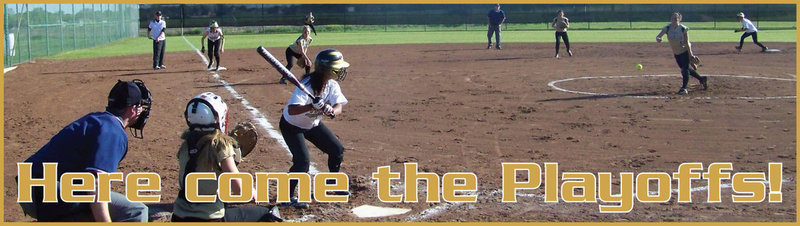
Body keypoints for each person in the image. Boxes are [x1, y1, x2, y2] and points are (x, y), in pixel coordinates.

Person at [18, 79, 153, 222]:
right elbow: (96, 184)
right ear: (132, 109)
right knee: (136, 211)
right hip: (43, 192)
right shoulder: (113, 132)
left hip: (33, 187)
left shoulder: (96, 120)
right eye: (139, 107)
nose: (141, 111)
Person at [171, 92, 282, 222]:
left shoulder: (185, 145)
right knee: (268, 213)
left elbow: (202, 176)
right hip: (208, 219)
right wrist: (252, 191)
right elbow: (239, 189)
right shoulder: (220, 145)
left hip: (178, 217)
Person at [279, 49, 350, 209]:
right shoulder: (307, 85)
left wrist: (331, 110)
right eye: (337, 67)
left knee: (336, 149)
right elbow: (292, 109)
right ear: (327, 69)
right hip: (292, 126)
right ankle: (286, 196)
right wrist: (311, 105)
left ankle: (333, 183)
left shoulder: (332, 84)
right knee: (302, 162)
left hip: (312, 125)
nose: (340, 70)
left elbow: (339, 106)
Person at [656, 12, 708, 95]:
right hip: (676, 53)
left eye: (676, 18)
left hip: (685, 51)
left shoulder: (683, 29)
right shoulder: (667, 28)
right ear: (670, 19)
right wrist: (658, 38)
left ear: (679, 20)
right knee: (686, 69)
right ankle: (701, 79)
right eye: (673, 18)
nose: (674, 20)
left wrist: (690, 55)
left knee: (684, 70)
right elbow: (659, 36)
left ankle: (684, 88)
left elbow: (687, 43)